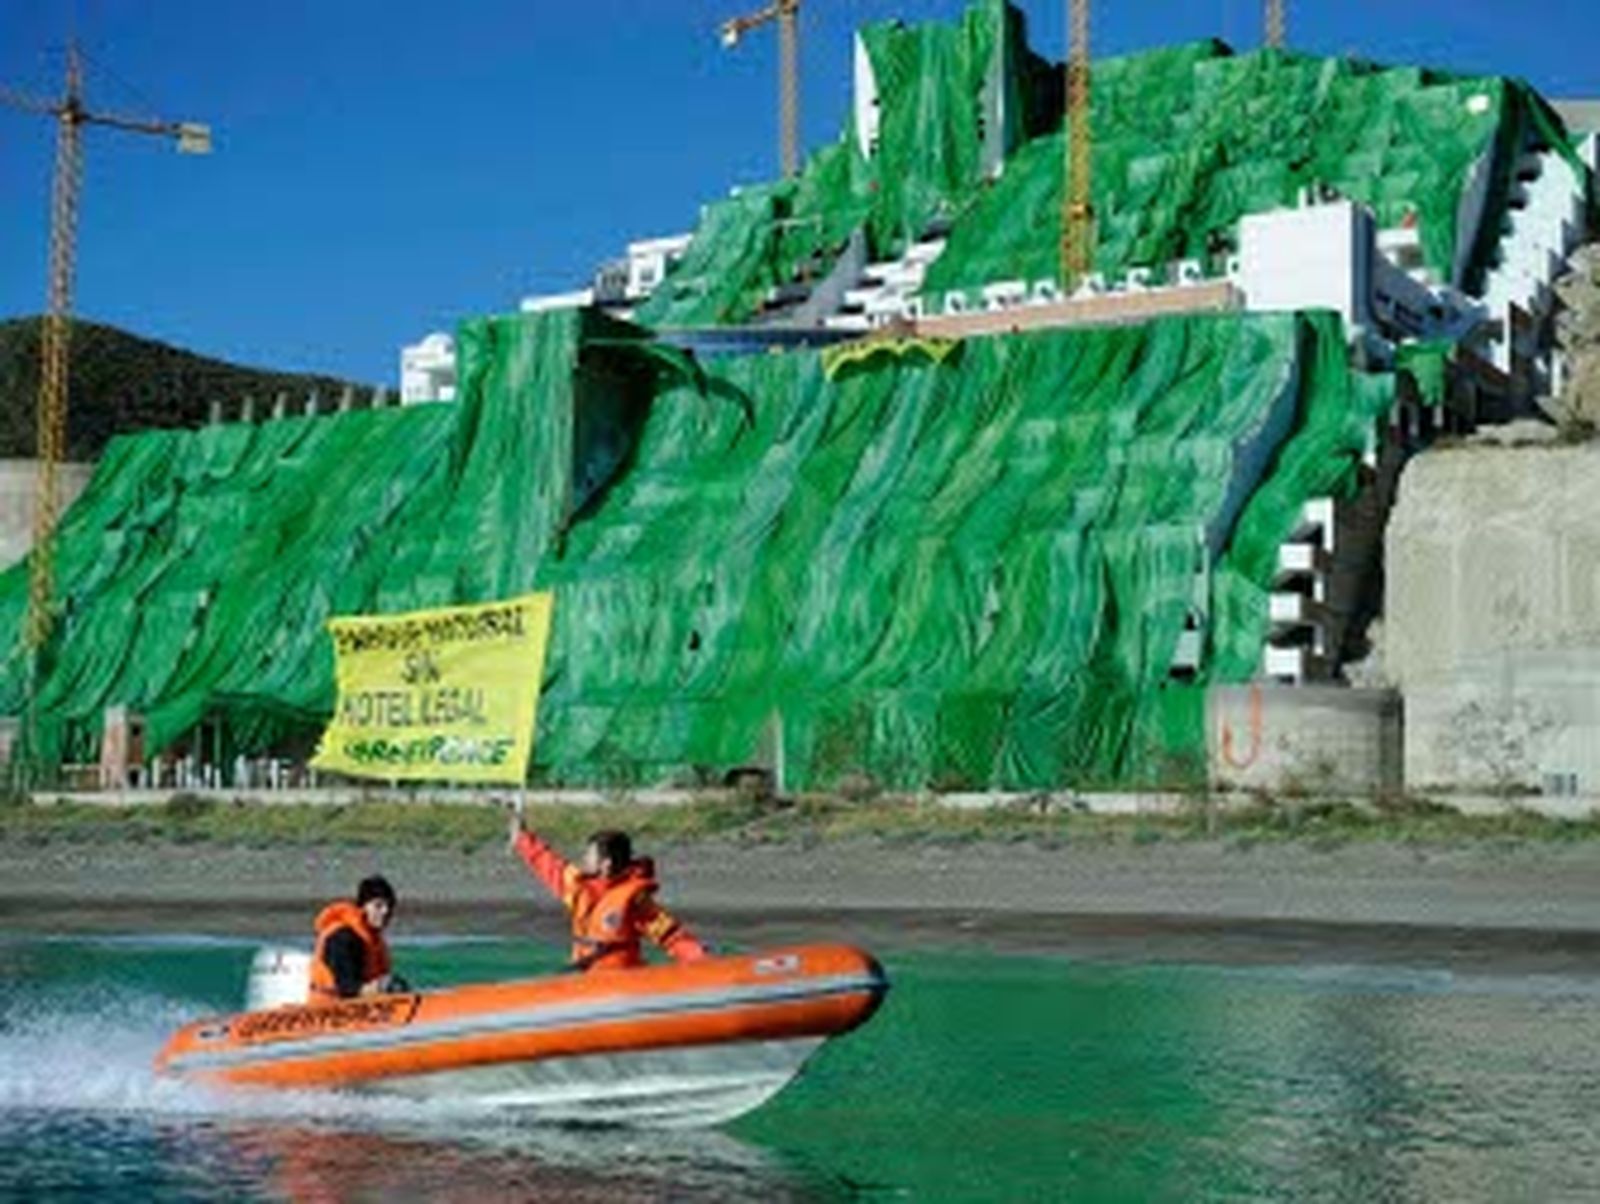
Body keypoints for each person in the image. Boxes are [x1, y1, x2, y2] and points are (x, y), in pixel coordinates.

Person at [508, 814, 708, 972]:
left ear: (606, 864)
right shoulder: (576, 887)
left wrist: (700, 960)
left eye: (589, 855)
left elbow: (669, 934)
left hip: (621, 983)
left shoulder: (634, 899)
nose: (584, 859)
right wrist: (522, 838)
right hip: (585, 979)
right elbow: (548, 863)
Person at [308, 875, 398, 1002]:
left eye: (389, 906)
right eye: (378, 906)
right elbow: (346, 987)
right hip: (329, 1010)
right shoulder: (341, 937)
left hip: (365, 1009)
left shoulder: (375, 941)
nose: (385, 911)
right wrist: (378, 988)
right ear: (363, 907)